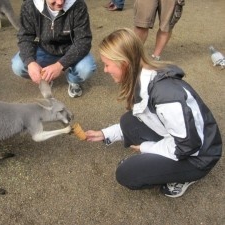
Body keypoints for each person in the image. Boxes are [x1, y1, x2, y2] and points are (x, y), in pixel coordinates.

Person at [85, 28, 222, 198]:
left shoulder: (166, 96)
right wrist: (105, 134)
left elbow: (187, 146)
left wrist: (146, 148)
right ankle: (158, 165)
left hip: (198, 156)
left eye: (107, 65)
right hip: (184, 140)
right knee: (128, 122)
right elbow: (144, 117)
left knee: (127, 173)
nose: (105, 70)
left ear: (124, 63)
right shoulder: (144, 77)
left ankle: (186, 176)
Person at [11, 0, 96, 98]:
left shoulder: (78, 5)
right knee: (18, 65)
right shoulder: (30, 5)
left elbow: (83, 41)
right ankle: (46, 76)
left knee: (87, 68)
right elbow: (25, 37)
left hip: (71, 49)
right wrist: (30, 62)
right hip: (45, 48)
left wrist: (60, 65)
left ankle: (73, 80)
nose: (60, 2)